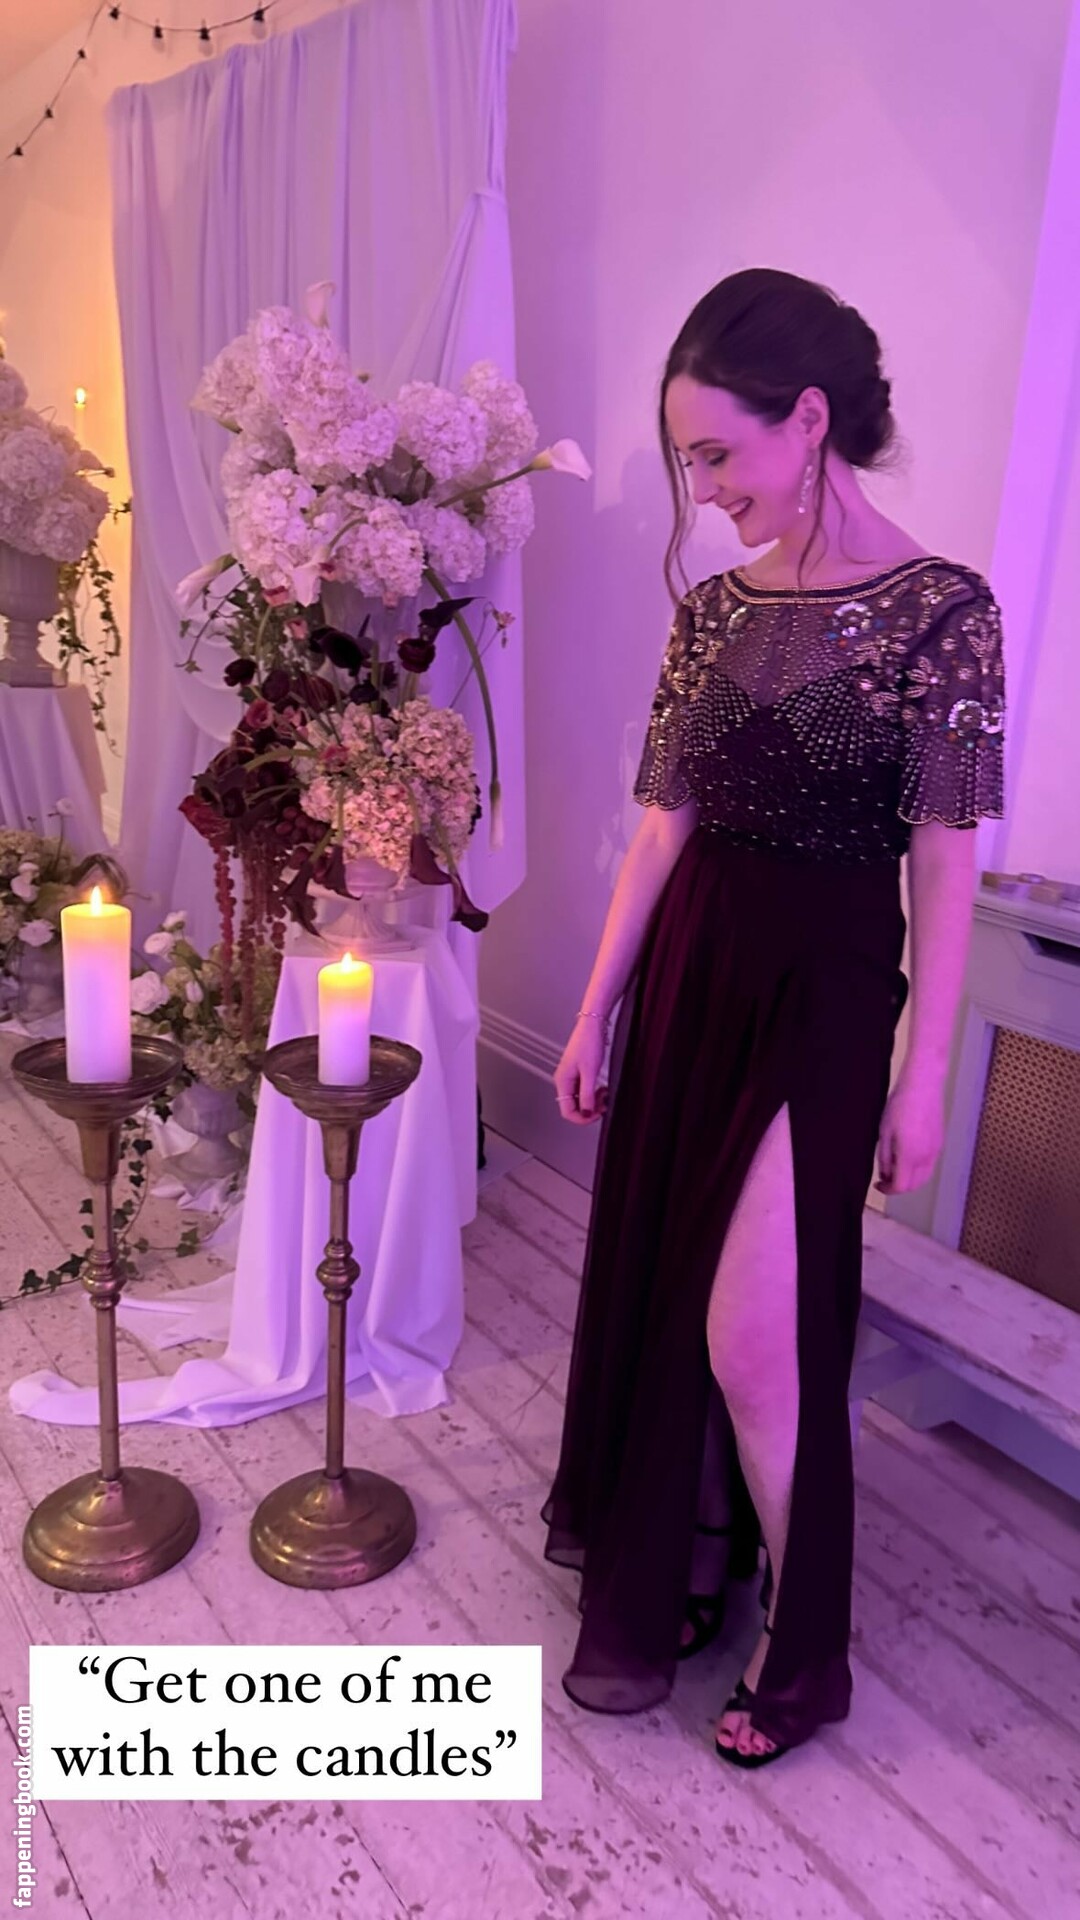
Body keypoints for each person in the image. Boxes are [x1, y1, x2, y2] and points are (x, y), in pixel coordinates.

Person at [543, 268, 1005, 1768]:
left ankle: (806, 1652)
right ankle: (693, 1551)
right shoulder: (714, 611)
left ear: (810, 422)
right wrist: (594, 1008)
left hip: (824, 991)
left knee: (758, 1335)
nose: (705, 490)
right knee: (677, 1286)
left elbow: (945, 859)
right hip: (695, 972)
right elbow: (662, 825)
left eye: (718, 455)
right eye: (689, 461)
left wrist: (923, 1076)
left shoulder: (942, 614)